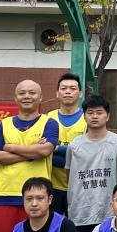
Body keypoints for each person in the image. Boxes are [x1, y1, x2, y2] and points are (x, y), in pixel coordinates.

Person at [0, 79, 59, 232]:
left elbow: (44, 151)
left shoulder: (49, 123)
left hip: (38, 196)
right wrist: (32, 152)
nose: (27, 96)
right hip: (5, 194)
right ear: (15, 97)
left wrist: (10, 147)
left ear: (41, 97)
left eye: (32, 93)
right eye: (22, 93)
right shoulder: (3, 125)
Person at [65, 94, 117, 232]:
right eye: (90, 112)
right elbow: (70, 176)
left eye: (99, 112)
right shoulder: (74, 146)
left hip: (109, 213)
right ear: (84, 116)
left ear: (108, 116)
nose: (94, 116)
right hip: (80, 212)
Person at [48, 72, 89, 216]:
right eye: (64, 88)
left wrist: (55, 148)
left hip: (80, 186)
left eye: (72, 88)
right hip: (53, 186)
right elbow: (43, 152)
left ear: (80, 93)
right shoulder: (48, 118)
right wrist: (72, 154)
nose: (68, 92)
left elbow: (86, 153)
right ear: (57, 93)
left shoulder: (88, 118)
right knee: (54, 226)